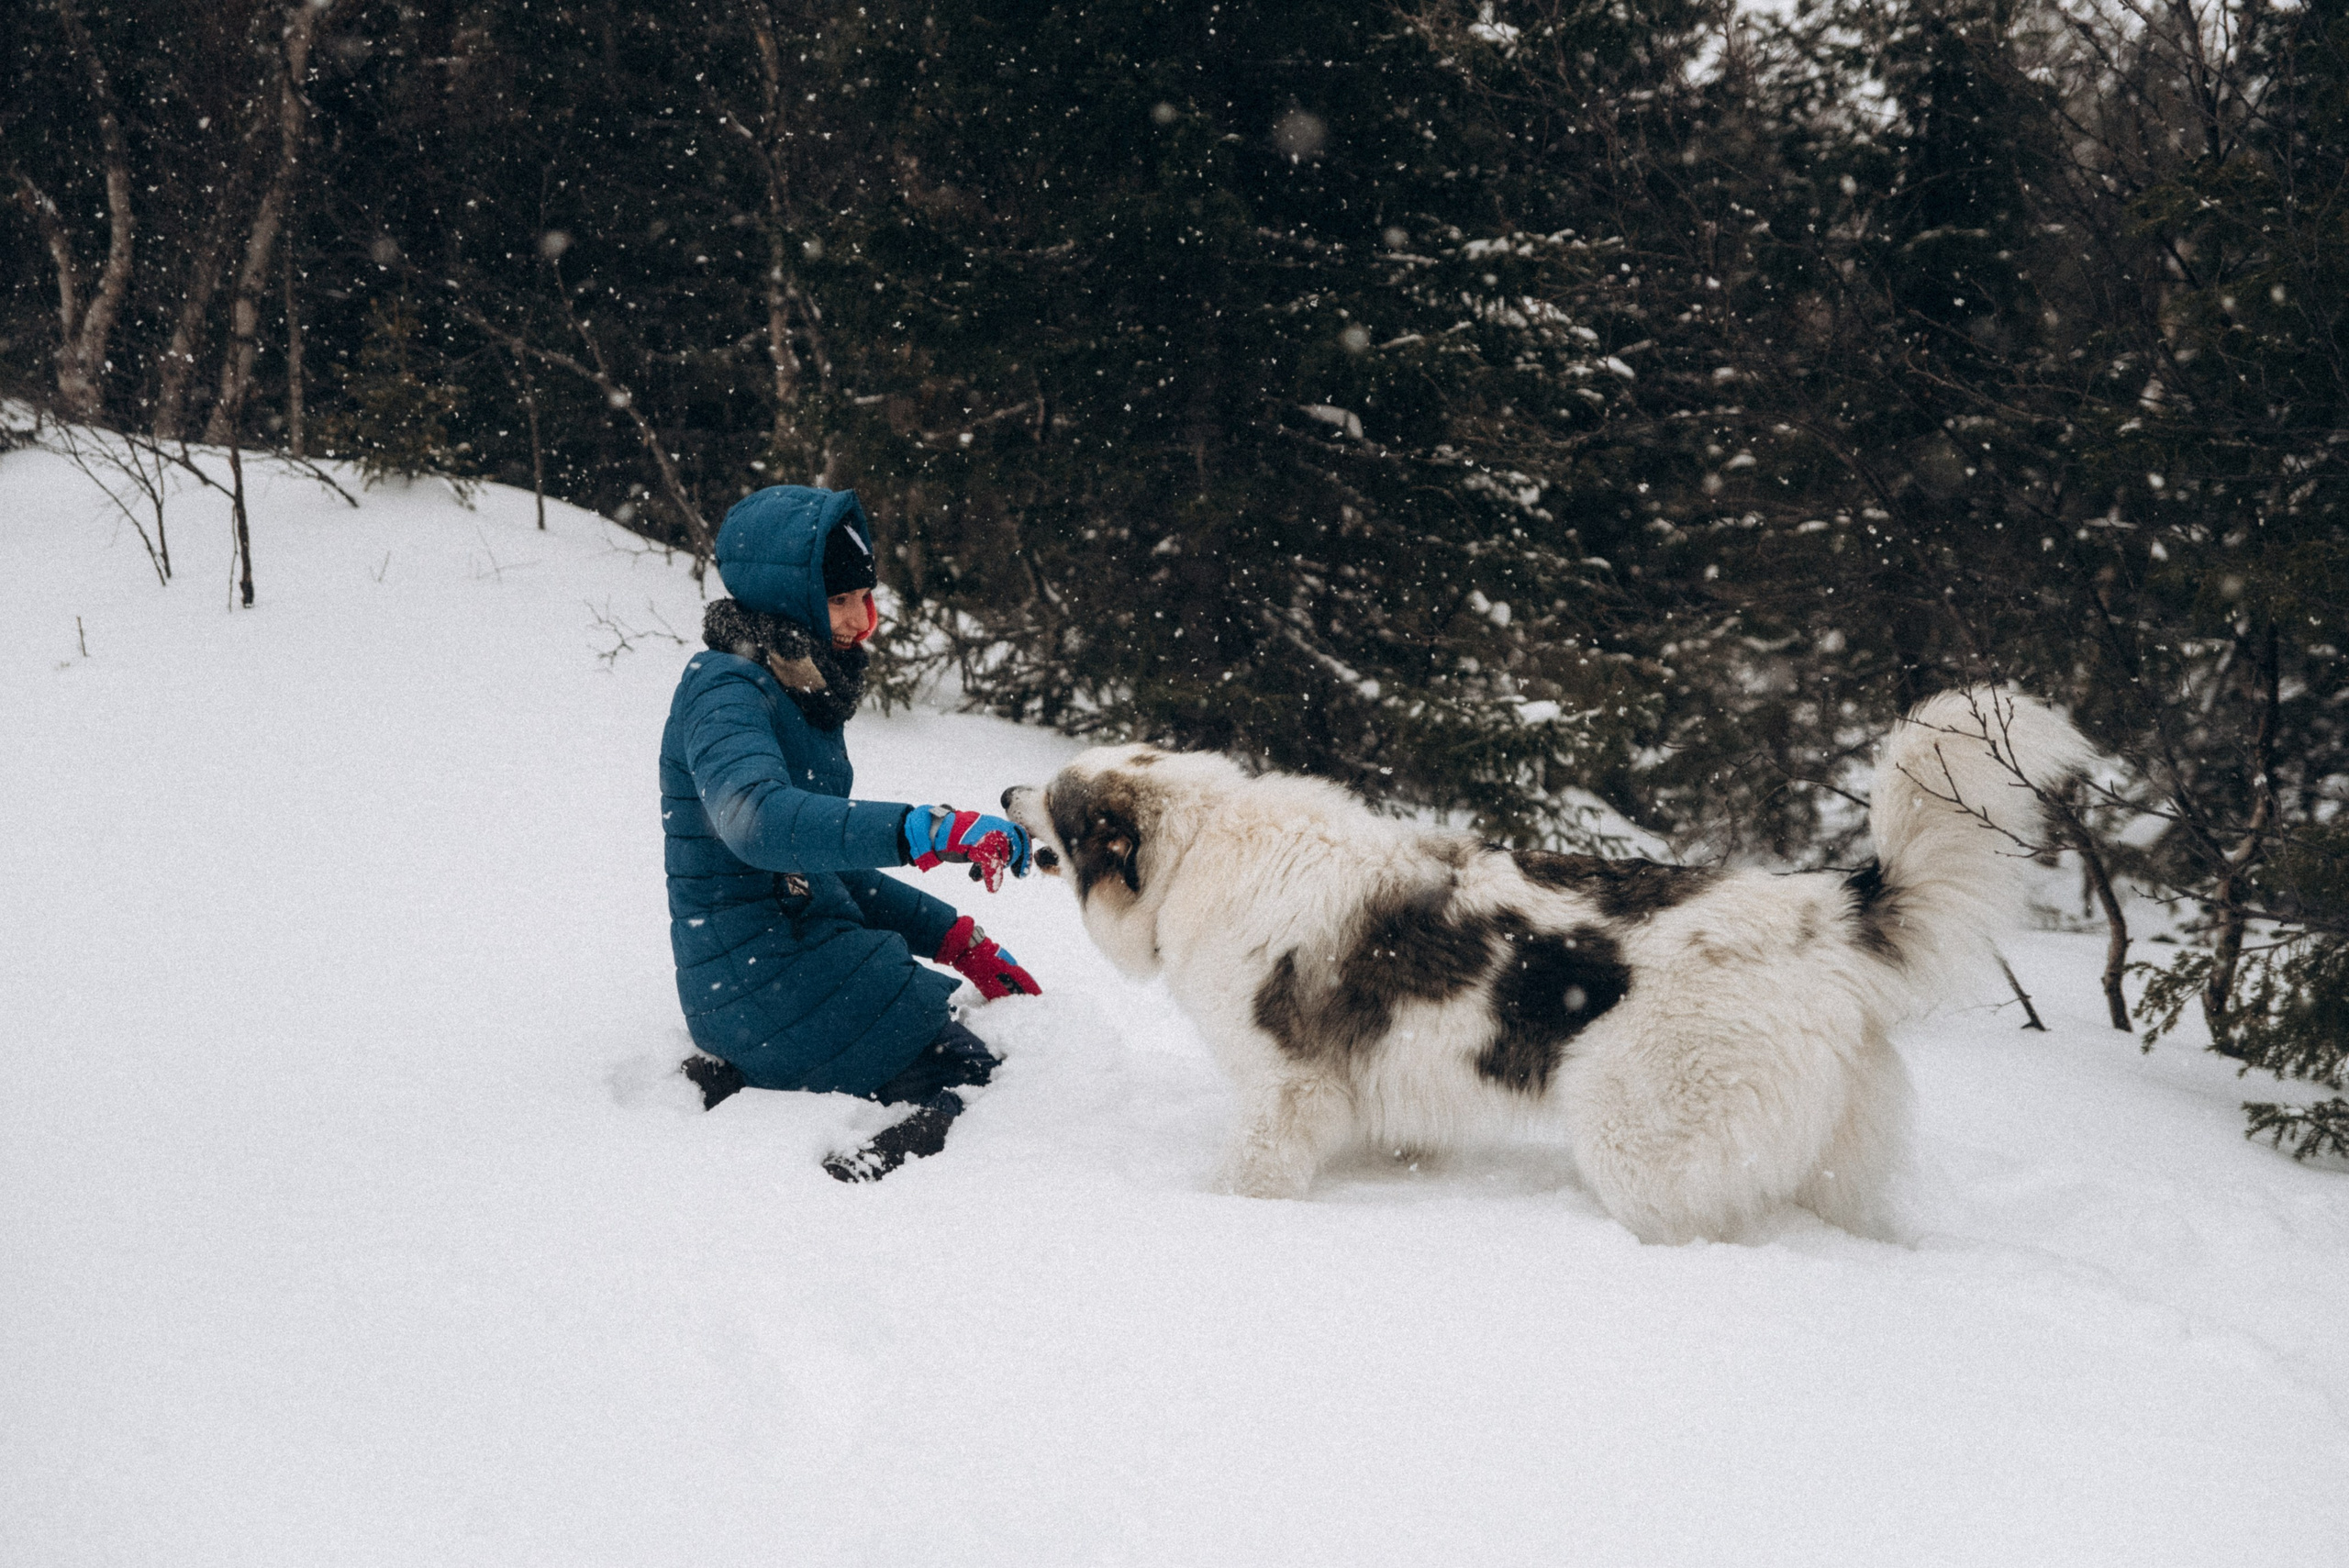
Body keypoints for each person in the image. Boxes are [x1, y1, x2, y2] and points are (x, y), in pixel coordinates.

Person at [660, 484, 1040, 1181]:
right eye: (839, 599)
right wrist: (924, 831)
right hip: (765, 980)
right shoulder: (725, 690)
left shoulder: (790, 681)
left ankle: (755, 1078)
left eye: (866, 596)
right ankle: (851, 1177)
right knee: (983, 1079)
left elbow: (820, 865)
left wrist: (957, 939)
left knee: (968, 1047)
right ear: (788, 594)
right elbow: (758, 823)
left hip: (783, 966)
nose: (861, 621)